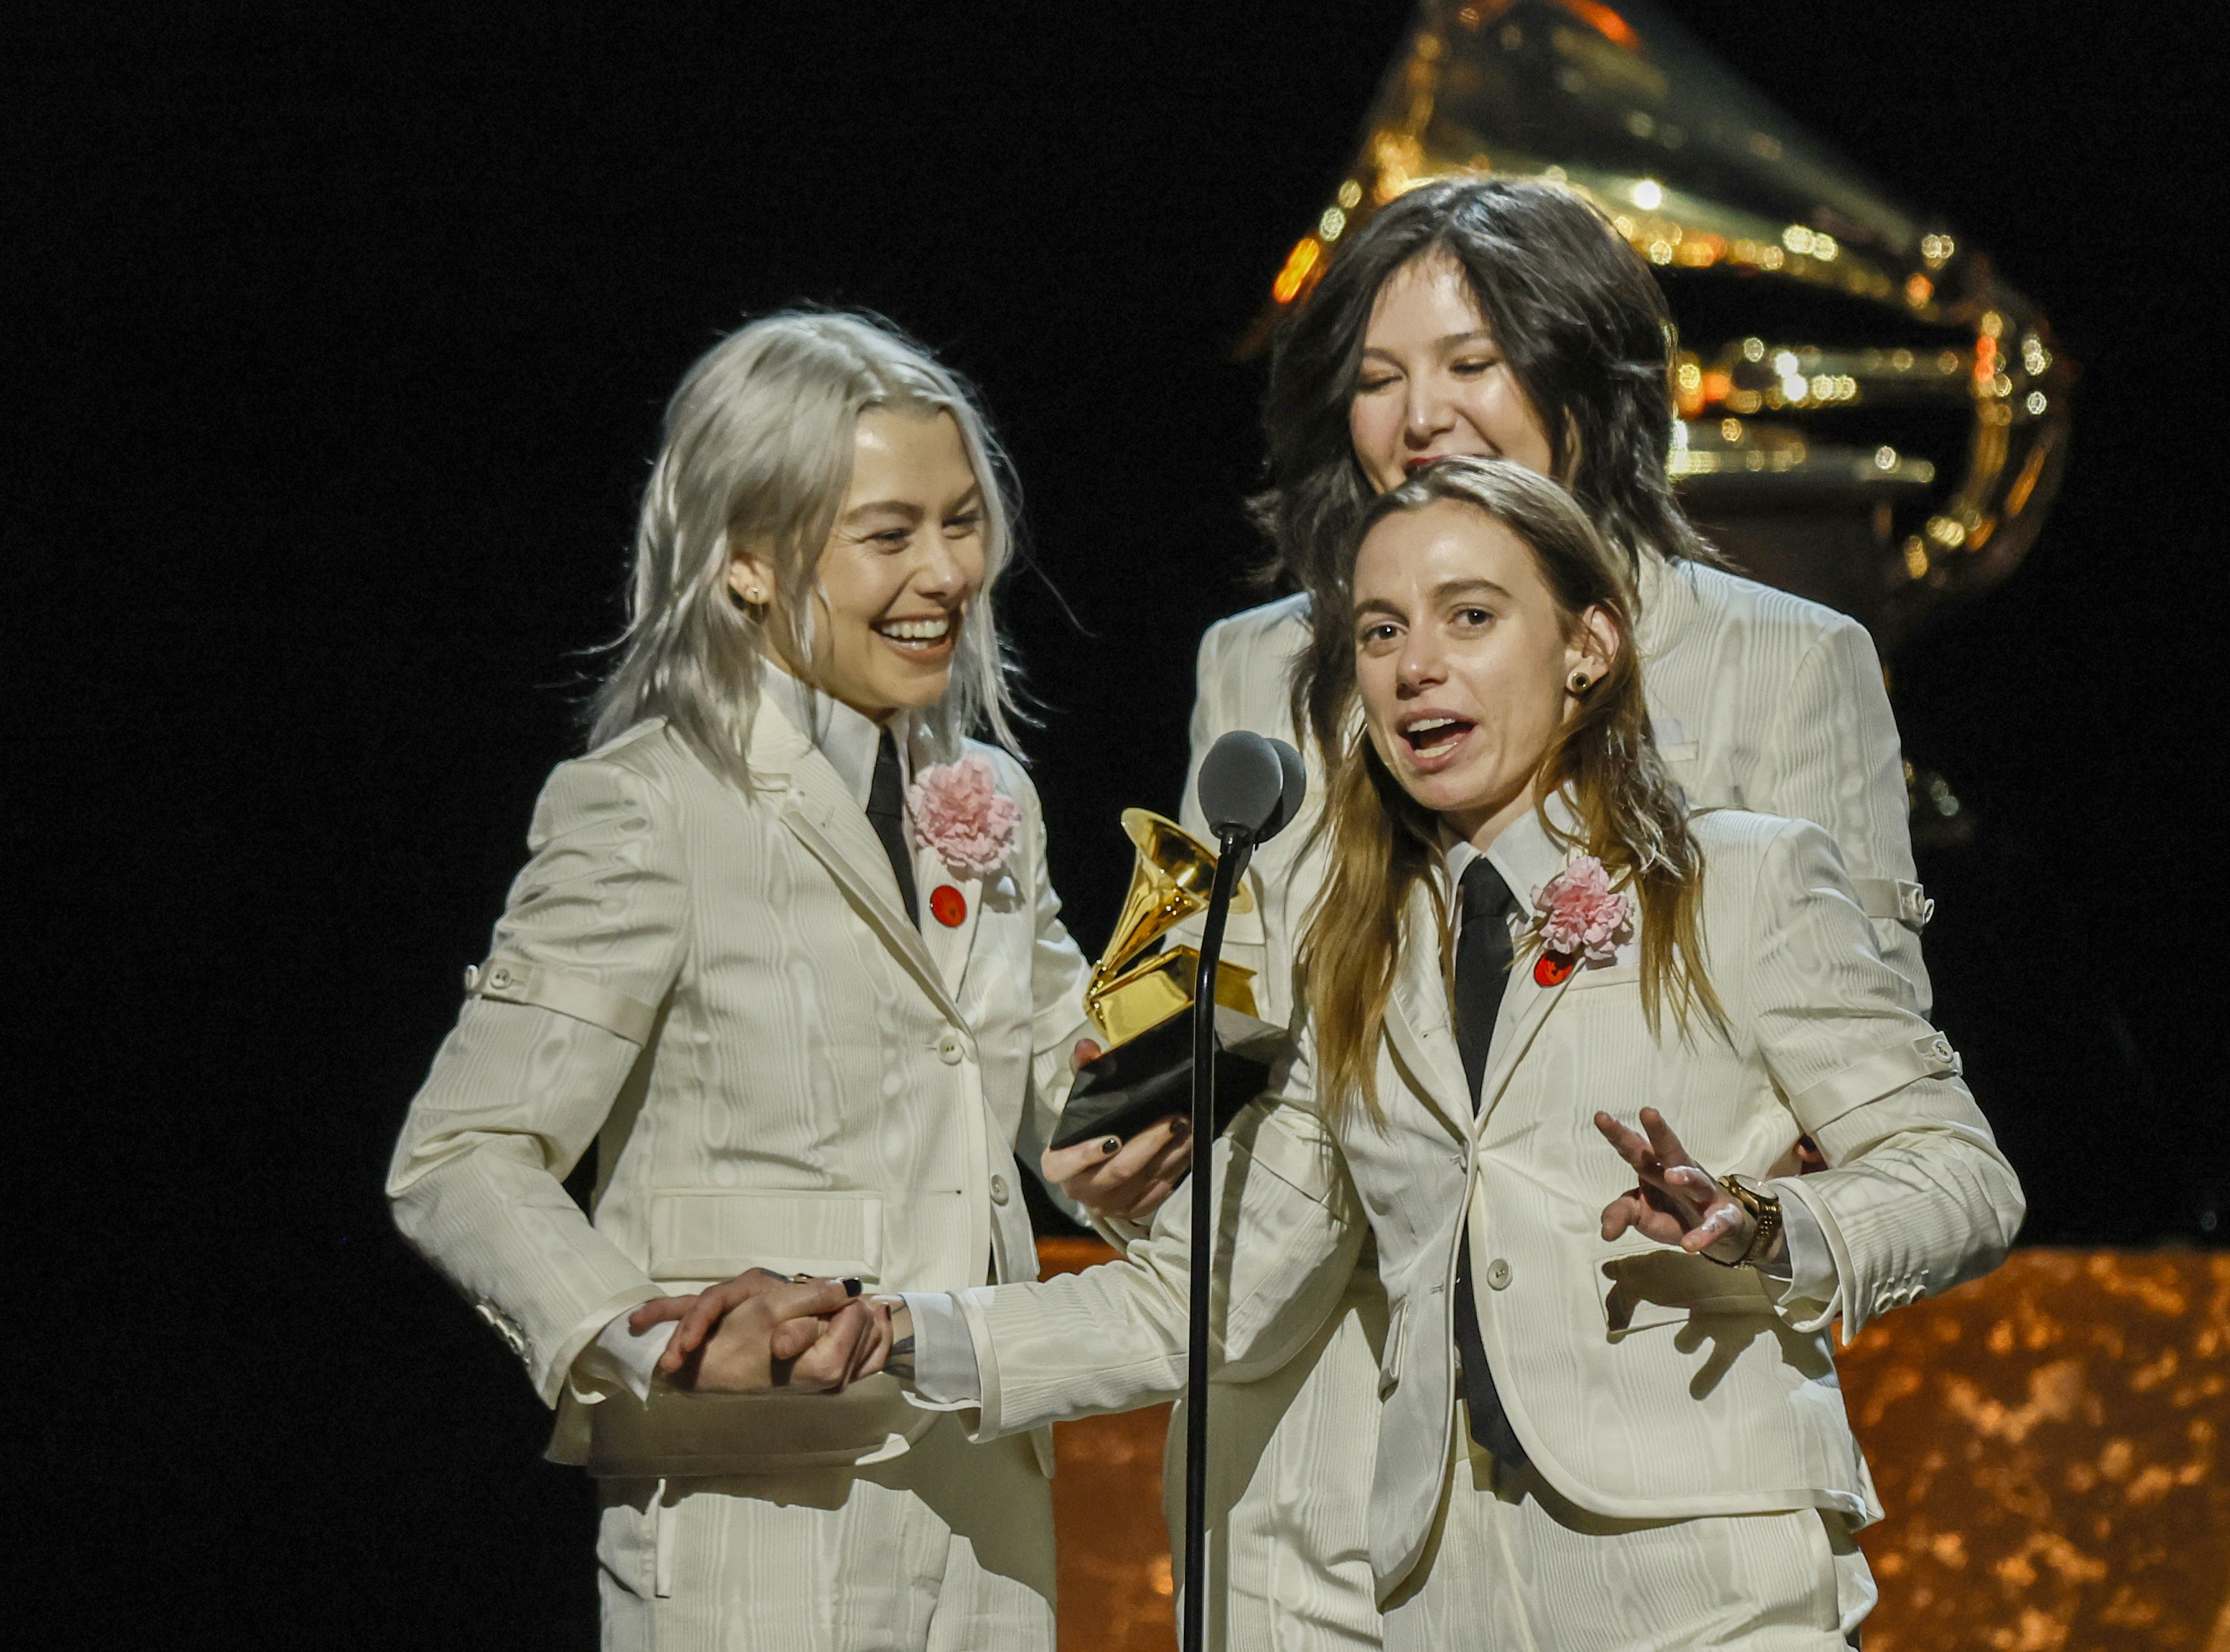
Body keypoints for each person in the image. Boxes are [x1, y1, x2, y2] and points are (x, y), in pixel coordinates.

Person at [650, 458, 2021, 1648]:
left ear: (1588, 643)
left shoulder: (1742, 882)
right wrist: (898, 1329)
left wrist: (1765, 1225)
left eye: (1470, 619)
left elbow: (1962, 1178)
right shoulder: (1347, 948)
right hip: (1435, 1598)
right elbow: (1212, 1293)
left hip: (1712, 1583)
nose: (1415, 665)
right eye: (1378, 632)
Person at [1127, 174, 1933, 1646]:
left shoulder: (1785, 657)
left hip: (1630, 1414)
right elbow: (1170, 997)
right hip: (1306, 1417)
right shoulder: (1251, 667)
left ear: (1581, 383)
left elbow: (1867, 1077)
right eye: (1373, 380)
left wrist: (1739, 1203)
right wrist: (1117, 1117)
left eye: (1468, 364)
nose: (1416, 413)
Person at [384, 308, 1160, 1651]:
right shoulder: (646, 806)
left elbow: (1073, 1102)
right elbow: (460, 1153)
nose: (944, 571)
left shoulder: (989, 801)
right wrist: (642, 1342)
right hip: (754, 1521)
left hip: (988, 1515)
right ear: (746, 561)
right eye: (889, 532)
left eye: (961, 521)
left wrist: (1172, 1104)